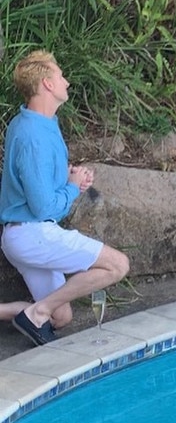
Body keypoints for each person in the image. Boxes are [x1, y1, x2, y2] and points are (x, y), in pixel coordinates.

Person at [0, 50, 130, 345]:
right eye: (60, 75)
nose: (66, 81)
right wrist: (71, 188)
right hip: (32, 234)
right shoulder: (33, 135)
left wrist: (70, 179)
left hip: (25, 233)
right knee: (117, 265)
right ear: (46, 83)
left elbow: (37, 180)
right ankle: (37, 313)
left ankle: (31, 312)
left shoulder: (39, 122)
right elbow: (44, 207)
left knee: (61, 318)